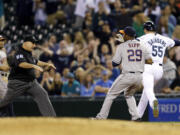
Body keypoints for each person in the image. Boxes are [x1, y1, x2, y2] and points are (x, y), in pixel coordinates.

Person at [94, 26, 152, 120]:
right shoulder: (142, 45)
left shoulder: (122, 46)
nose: (122, 35)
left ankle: (101, 117)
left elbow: (114, 63)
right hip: (139, 77)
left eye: (124, 34)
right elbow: (150, 61)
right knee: (128, 95)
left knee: (111, 94)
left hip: (128, 75)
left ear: (128, 36)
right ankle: (136, 116)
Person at [0, 35, 56, 117]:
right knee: (5, 101)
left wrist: (47, 64)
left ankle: (51, 119)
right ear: (25, 43)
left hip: (31, 82)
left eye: (35, 43)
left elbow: (36, 61)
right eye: (32, 43)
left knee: (42, 94)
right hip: (18, 83)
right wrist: (33, 66)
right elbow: (22, 64)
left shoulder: (28, 54)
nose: (34, 45)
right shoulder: (19, 53)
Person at [137, 21, 180, 119]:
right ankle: (137, 115)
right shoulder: (163, 38)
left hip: (148, 67)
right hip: (159, 70)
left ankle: (153, 102)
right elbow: (177, 42)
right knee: (146, 91)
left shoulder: (143, 38)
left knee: (148, 90)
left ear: (145, 29)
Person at [0, 35, 14, 116]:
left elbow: (6, 68)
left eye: (2, 40)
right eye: (0, 40)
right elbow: (5, 67)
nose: (2, 42)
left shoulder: (3, 52)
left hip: (4, 79)